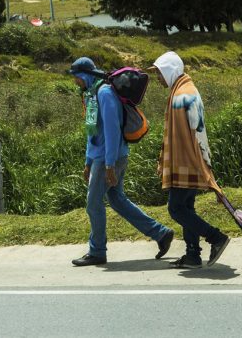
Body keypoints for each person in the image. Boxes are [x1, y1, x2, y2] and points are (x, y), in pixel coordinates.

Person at [67, 57, 174, 266]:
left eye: (76, 78)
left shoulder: (105, 93)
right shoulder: (91, 94)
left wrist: (108, 165)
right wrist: (88, 162)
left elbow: (112, 130)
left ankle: (97, 251)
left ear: (85, 75)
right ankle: (161, 234)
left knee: (93, 203)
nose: (75, 82)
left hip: (110, 158)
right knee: (116, 199)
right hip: (103, 157)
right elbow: (93, 132)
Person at [150, 51, 229, 269]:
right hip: (185, 160)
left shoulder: (184, 94)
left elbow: (198, 130)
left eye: (159, 73)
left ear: (170, 70)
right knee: (187, 207)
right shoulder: (182, 90)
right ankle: (193, 255)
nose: (158, 78)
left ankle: (216, 237)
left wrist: (204, 162)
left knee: (176, 209)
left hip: (187, 161)